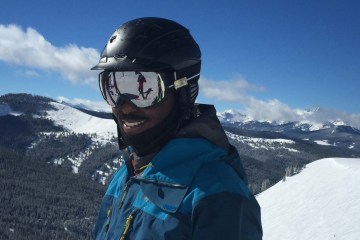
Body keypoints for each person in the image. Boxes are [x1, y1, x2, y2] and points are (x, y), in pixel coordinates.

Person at [91, 17, 263, 240]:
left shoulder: (220, 197)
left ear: (183, 92)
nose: (123, 106)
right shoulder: (127, 173)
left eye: (144, 89)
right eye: (112, 88)